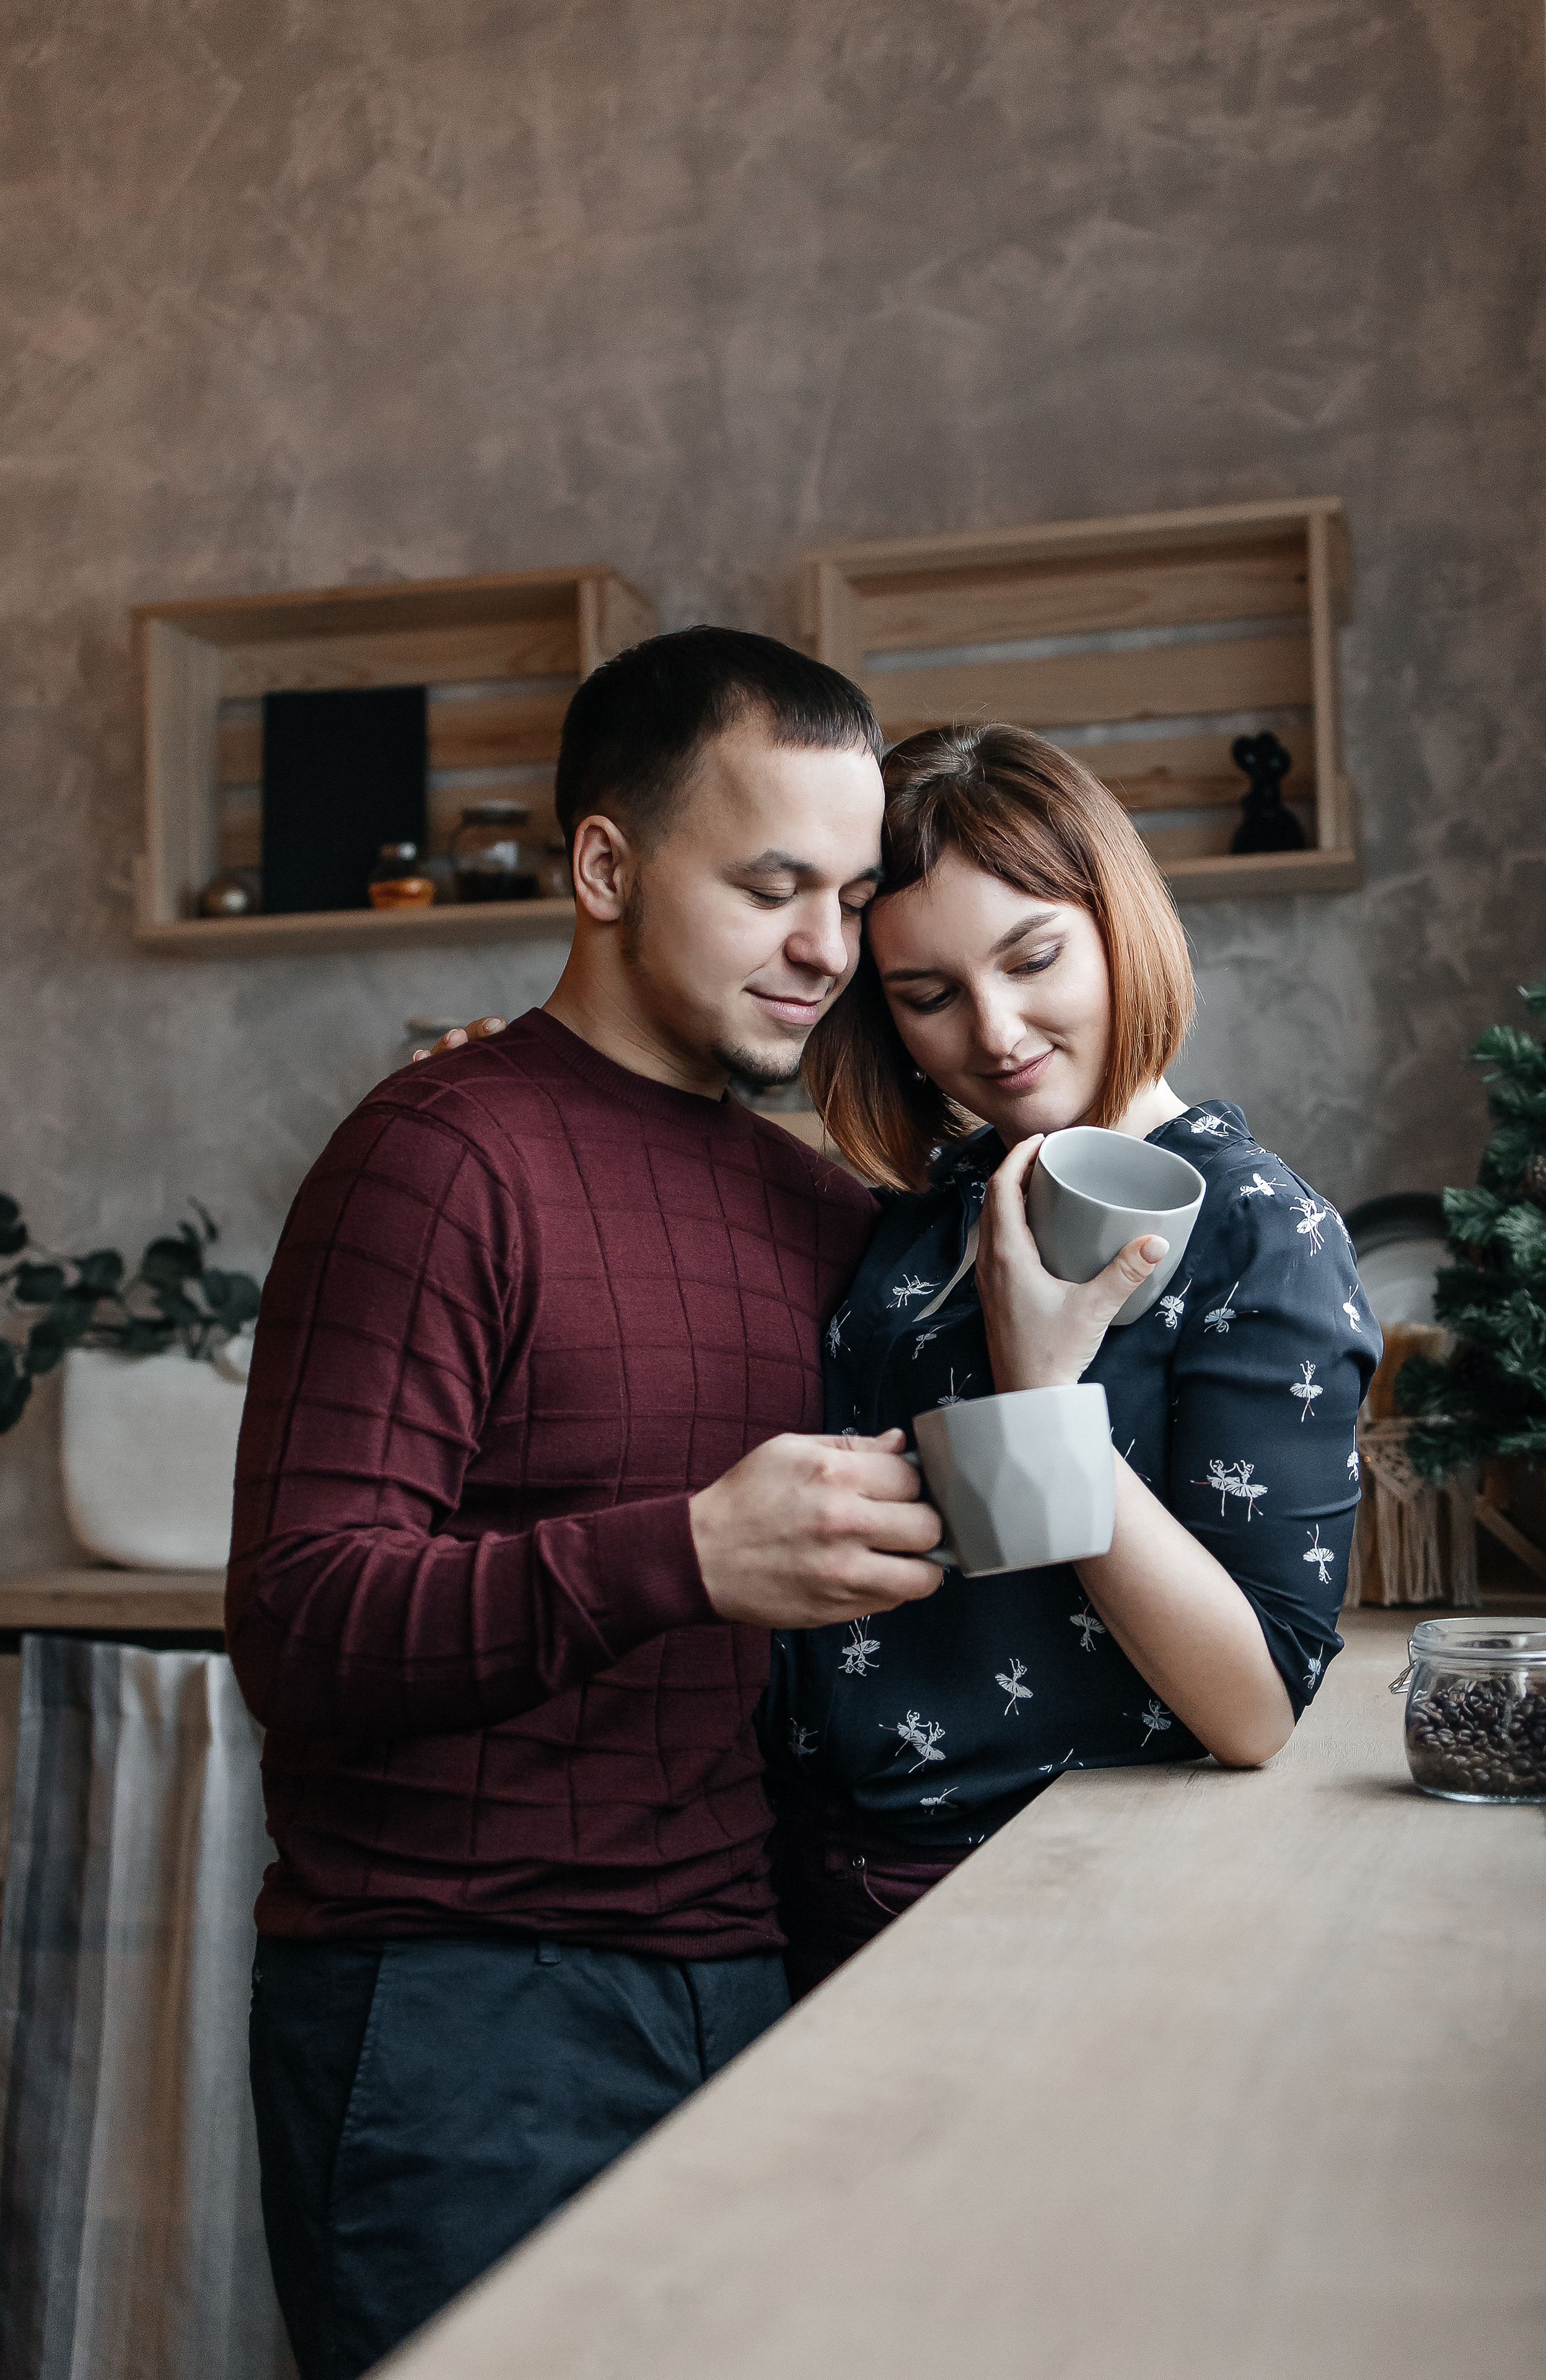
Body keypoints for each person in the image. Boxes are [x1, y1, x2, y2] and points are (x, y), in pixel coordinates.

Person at [231, 628, 947, 2380]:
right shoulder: (438, 1154)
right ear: (606, 868)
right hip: (459, 2012)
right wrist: (688, 1553)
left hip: (747, 1978)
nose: (825, 948)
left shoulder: (817, 1209)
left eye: (852, 898)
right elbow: (301, 1622)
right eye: (770, 886)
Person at [759, 722, 1381, 1997]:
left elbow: (1253, 1705)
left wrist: (1044, 1397)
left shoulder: (1261, 1233)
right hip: (812, 1883)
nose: (994, 1032)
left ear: (1117, 925)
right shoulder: (931, 1208)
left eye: (1033, 957)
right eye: (927, 995)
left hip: (1052, 1907)